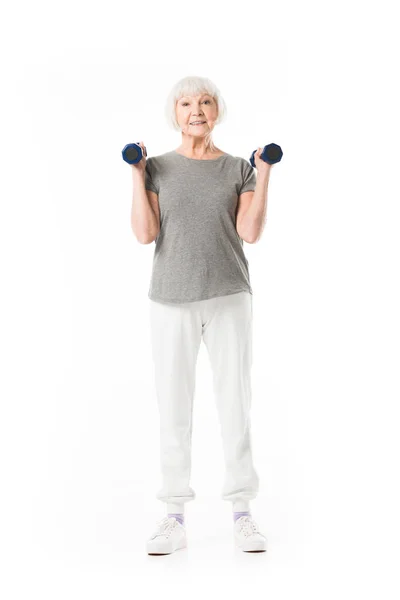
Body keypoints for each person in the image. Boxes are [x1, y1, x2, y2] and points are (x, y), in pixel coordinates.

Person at [130, 76, 272, 554]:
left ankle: (242, 512)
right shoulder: (159, 169)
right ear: (175, 113)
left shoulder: (237, 168)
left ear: (217, 111)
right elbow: (144, 235)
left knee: (236, 403)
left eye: (205, 102)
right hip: (170, 298)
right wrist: (136, 174)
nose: (197, 110)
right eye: (187, 103)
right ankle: (173, 515)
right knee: (174, 408)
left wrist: (264, 171)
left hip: (230, 296)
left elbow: (250, 233)